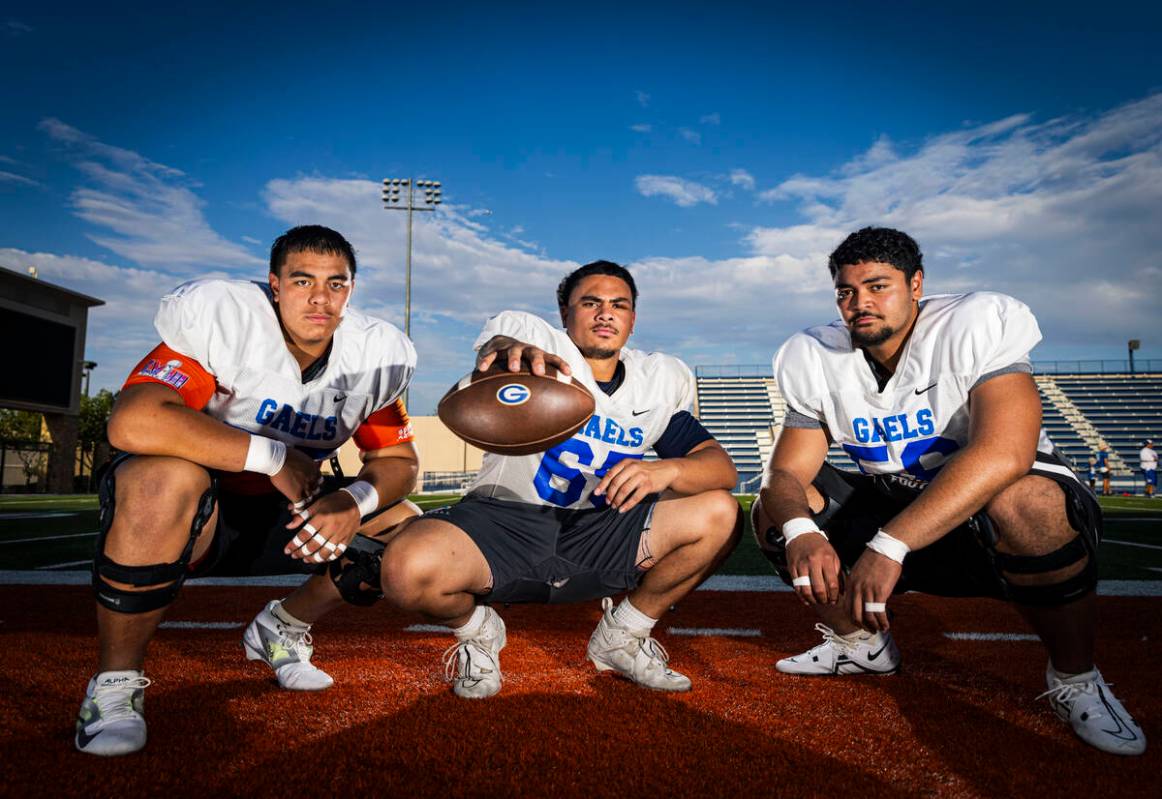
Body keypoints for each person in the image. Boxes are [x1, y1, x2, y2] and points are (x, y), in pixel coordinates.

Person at [753, 227, 1145, 756]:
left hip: (994, 518)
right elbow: (784, 475)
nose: (860, 303)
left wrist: (889, 544)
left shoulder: (973, 322)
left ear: (917, 284)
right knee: (774, 511)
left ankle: (1075, 677)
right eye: (847, 292)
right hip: (902, 510)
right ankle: (860, 644)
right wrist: (800, 529)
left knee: (1026, 500)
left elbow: (1006, 453)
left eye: (878, 286)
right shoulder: (813, 353)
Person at [75, 225, 421, 756]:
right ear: (274, 285)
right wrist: (273, 457)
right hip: (196, 514)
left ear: (351, 291)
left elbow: (397, 461)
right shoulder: (226, 324)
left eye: (336, 284)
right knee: (159, 477)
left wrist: (352, 502)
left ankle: (283, 627)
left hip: (291, 517)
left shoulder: (370, 356)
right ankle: (115, 684)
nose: (319, 298)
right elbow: (134, 422)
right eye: (303, 280)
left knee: (407, 530)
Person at [381, 260, 740, 698]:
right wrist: (508, 351)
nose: (605, 314)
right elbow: (502, 342)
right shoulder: (542, 354)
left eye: (618, 305)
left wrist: (668, 468)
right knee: (405, 568)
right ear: (564, 314)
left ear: (632, 319)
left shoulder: (655, 381)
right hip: (503, 523)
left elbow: (721, 468)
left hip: (598, 528)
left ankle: (624, 634)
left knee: (719, 511)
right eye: (590, 303)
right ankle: (478, 632)